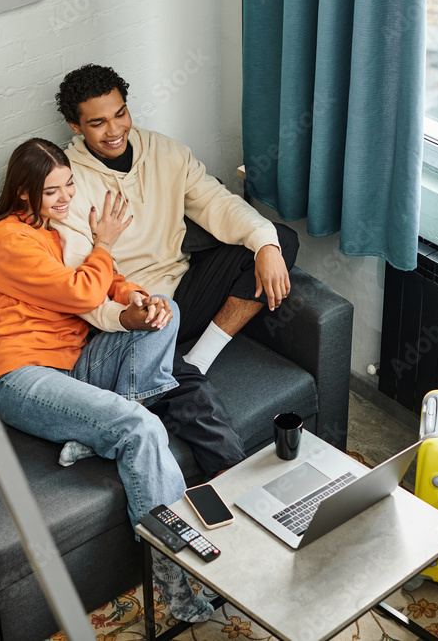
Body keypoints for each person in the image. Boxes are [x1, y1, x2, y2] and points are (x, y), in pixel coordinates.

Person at [0, 138, 213, 623]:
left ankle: (89, 435)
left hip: (75, 365)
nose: (64, 198)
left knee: (167, 316)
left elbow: (110, 280)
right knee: (141, 429)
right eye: (51, 191)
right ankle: (174, 577)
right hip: (19, 376)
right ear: (23, 195)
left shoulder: (59, 225)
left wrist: (142, 300)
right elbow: (81, 288)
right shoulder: (10, 240)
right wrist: (103, 242)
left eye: (68, 185)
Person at [53, 64, 300, 475]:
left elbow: (218, 204)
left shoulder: (165, 152)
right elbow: (80, 283)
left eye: (120, 113)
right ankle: (233, 493)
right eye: (97, 123)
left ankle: (197, 358)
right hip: (131, 312)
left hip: (181, 292)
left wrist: (266, 244)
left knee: (276, 239)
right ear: (75, 126)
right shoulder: (67, 182)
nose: (114, 129)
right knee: (196, 400)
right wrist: (125, 316)